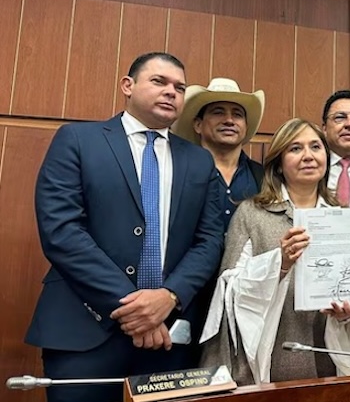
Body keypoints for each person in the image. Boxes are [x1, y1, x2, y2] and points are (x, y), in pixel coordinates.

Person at [27, 52, 224, 402]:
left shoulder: (199, 160)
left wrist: (169, 297)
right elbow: (62, 231)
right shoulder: (78, 140)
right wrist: (138, 309)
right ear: (127, 86)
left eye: (179, 88)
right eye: (159, 82)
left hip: (170, 337)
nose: (171, 92)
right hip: (84, 331)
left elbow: (209, 241)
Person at [199, 118, 350, 384]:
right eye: (295, 148)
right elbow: (229, 289)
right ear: (279, 163)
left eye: (315, 147)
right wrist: (278, 264)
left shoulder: (343, 217)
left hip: (326, 355)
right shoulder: (252, 213)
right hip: (269, 356)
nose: (308, 156)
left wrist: (349, 314)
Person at [172, 77, 265, 231]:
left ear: (246, 127)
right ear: (198, 125)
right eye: (218, 112)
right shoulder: (177, 172)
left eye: (237, 114)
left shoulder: (263, 176)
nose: (229, 120)